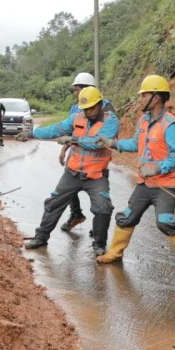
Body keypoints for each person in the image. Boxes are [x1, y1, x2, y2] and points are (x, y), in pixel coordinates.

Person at [96, 75, 175, 278]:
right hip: (145, 183)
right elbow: (135, 144)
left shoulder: (170, 125)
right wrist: (112, 143)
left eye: (144, 95)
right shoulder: (143, 121)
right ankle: (114, 253)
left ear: (156, 98)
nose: (140, 99)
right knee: (126, 217)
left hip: (166, 184)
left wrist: (158, 169)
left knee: (165, 222)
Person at [16, 86, 119, 256]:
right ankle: (41, 237)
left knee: (103, 208)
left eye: (92, 108)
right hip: (72, 173)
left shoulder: (111, 121)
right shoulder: (76, 117)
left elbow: (98, 142)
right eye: (85, 109)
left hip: (96, 175)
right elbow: (55, 129)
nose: (88, 112)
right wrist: (32, 134)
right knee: (54, 203)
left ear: (100, 104)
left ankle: (99, 244)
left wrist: (73, 139)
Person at [58, 72, 115, 233]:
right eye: (75, 90)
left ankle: (98, 225)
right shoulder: (75, 108)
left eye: (77, 89)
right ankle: (75, 213)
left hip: (96, 157)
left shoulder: (105, 107)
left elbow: (107, 133)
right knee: (68, 185)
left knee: (98, 192)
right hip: (77, 153)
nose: (75, 93)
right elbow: (73, 132)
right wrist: (64, 149)